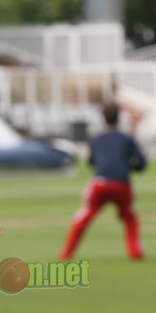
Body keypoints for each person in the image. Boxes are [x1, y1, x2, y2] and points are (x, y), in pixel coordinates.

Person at [59, 103, 147, 261]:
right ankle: (135, 251)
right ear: (119, 117)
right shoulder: (126, 138)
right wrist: (127, 166)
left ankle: (67, 252)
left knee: (85, 215)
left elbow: (91, 162)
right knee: (128, 216)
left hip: (100, 184)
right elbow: (141, 163)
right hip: (122, 185)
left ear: (103, 118)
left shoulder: (96, 139)